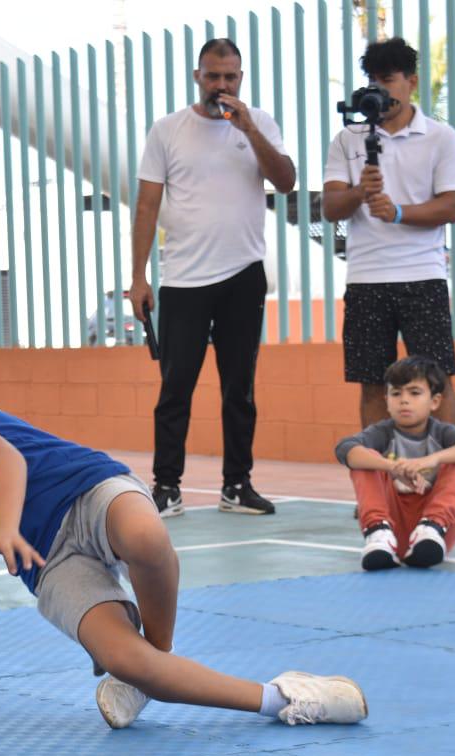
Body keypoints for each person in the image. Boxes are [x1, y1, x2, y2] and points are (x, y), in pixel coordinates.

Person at [0, 392, 368, 730]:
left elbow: (6, 460)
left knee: (146, 538)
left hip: (88, 492)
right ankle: (284, 697)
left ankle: (156, 656)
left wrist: (4, 526)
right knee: (121, 658)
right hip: (49, 561)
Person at [129, 38, 296, 520]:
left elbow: (286, 181)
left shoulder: (259, 123)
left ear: (240, 78)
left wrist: (249, 130)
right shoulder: (167, 130)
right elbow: (147, 205)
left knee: (239, 388)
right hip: (183, 280)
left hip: (243, 274)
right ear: (197, 76)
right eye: (213, 76)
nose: (221, 84)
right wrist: (138, 277)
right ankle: (166, 487)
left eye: (230, 76)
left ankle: (237, 485)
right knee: (175, 388)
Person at [323, 37, 455, 432]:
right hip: (366, 279)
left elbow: (450, 206)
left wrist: (398, 212)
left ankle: (446, 466)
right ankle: (379, 469)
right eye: (373, 80)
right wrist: (359, 192)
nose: (379, 89)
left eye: (388, 79)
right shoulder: (347, 138)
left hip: (423, 277)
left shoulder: (440, 137)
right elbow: (330, 207)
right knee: (372, 384)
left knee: (437, 380)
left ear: (411, 81)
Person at [335, 356, 455, 570]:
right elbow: (345, 449)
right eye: (396, 393)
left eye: (414, 393)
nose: (404, 400)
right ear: (386, 400)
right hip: (392, 526)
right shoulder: (381, 433)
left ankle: (431, 527)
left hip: (436, 534)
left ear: (434, 401)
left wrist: (429, 460)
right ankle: (378, 532)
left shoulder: (442, 433)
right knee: (364, 457)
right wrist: (393, 467)